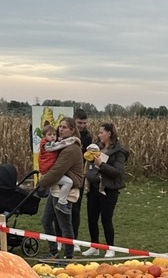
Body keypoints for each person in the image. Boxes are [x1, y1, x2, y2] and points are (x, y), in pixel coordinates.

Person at [38, 117, 83, 261]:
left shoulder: (70, 149)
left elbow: (57, 170)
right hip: (57, 188)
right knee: (46, 220)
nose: (60, 129)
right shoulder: (62, 145)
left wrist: (42, 182)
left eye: (64, 127)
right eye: (60, 127)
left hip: (65, 191)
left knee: (65, 225)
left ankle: (68, 256)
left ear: (72, 130)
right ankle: (53, 252)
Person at [82, 123, 130, 259]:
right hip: (94, 188)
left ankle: (110, 248)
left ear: (109, 133)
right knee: (92, 218)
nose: (99, 135)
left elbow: (117, 172)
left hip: (109, 190)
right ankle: (94, 246)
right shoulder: (96, 147)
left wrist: (101, 165)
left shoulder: (119, 152)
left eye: (101, 132)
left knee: (106, 219)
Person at [37, 124, 74, 214]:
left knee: (55, 190)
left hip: (50, 171)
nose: (53, 136)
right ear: (44, 136)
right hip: (49, 173)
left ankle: (56, 209)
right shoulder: (47, 145)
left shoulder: (50, 143)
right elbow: (59, 145)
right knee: (68, 182)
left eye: (54, 134)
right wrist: (73, 139)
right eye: (49, 135)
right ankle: (62, 203)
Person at [70, 108, 92, 249]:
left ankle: (75, 240)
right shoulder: (67, 134)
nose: (82, 125)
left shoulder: (88, 137)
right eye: (79, 122)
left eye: (84, 123)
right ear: (74, 121)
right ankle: (62, 239)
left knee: (75, 209)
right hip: (66, 175)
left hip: (80, 176)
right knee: (62, 208)